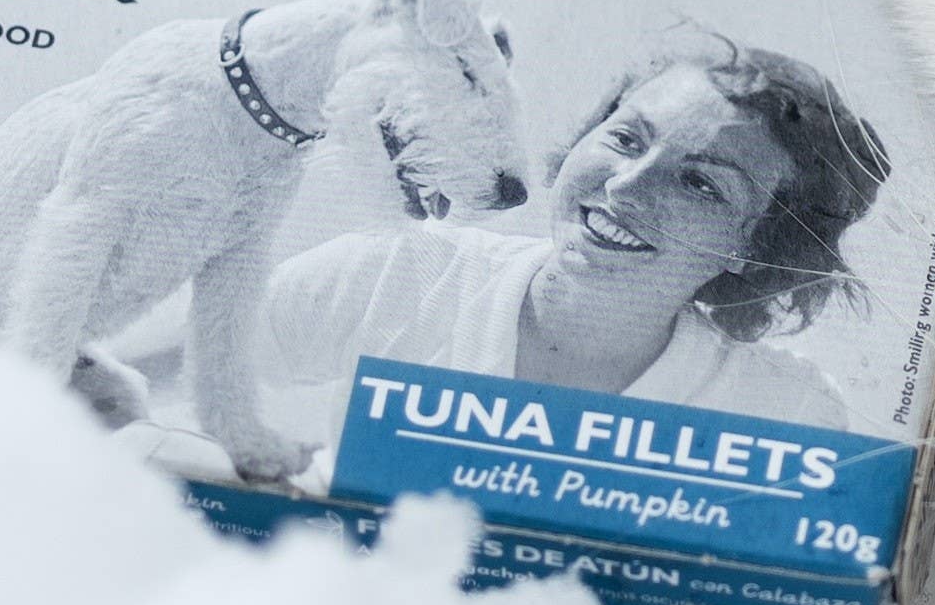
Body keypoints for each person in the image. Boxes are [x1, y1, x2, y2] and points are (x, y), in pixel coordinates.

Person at [247, 34, 889, 460]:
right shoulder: (398, 272)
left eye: (699, 183)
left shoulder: (785, 417)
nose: (627, 185)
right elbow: (161, 381)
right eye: (627, 139)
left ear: (754, 250)